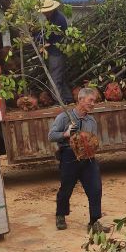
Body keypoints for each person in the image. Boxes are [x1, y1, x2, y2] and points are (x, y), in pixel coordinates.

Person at [49, 87, 105, 232]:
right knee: (66, 189)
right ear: (80, 99)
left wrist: (90, 144)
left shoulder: (91, 121)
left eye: (94, 101)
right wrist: (66, 134)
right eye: (90, 100)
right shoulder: (64, 117)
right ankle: (61, 215)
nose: (93, 104)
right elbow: (51, 136)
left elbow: (93, 139)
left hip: (88, 158)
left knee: (95, 188)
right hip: (69, 157)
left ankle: (94, 221)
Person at [38, 0, 73, 104]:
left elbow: (48, 36)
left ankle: (59, 103)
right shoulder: (52, 17)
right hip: (56, 52)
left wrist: (38, 37)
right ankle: (68, 99)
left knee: (54, 80)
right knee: (60, 78)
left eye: (46, 11)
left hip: (57, 53)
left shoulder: (57, 19)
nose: (44, 13)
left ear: (51, 9)